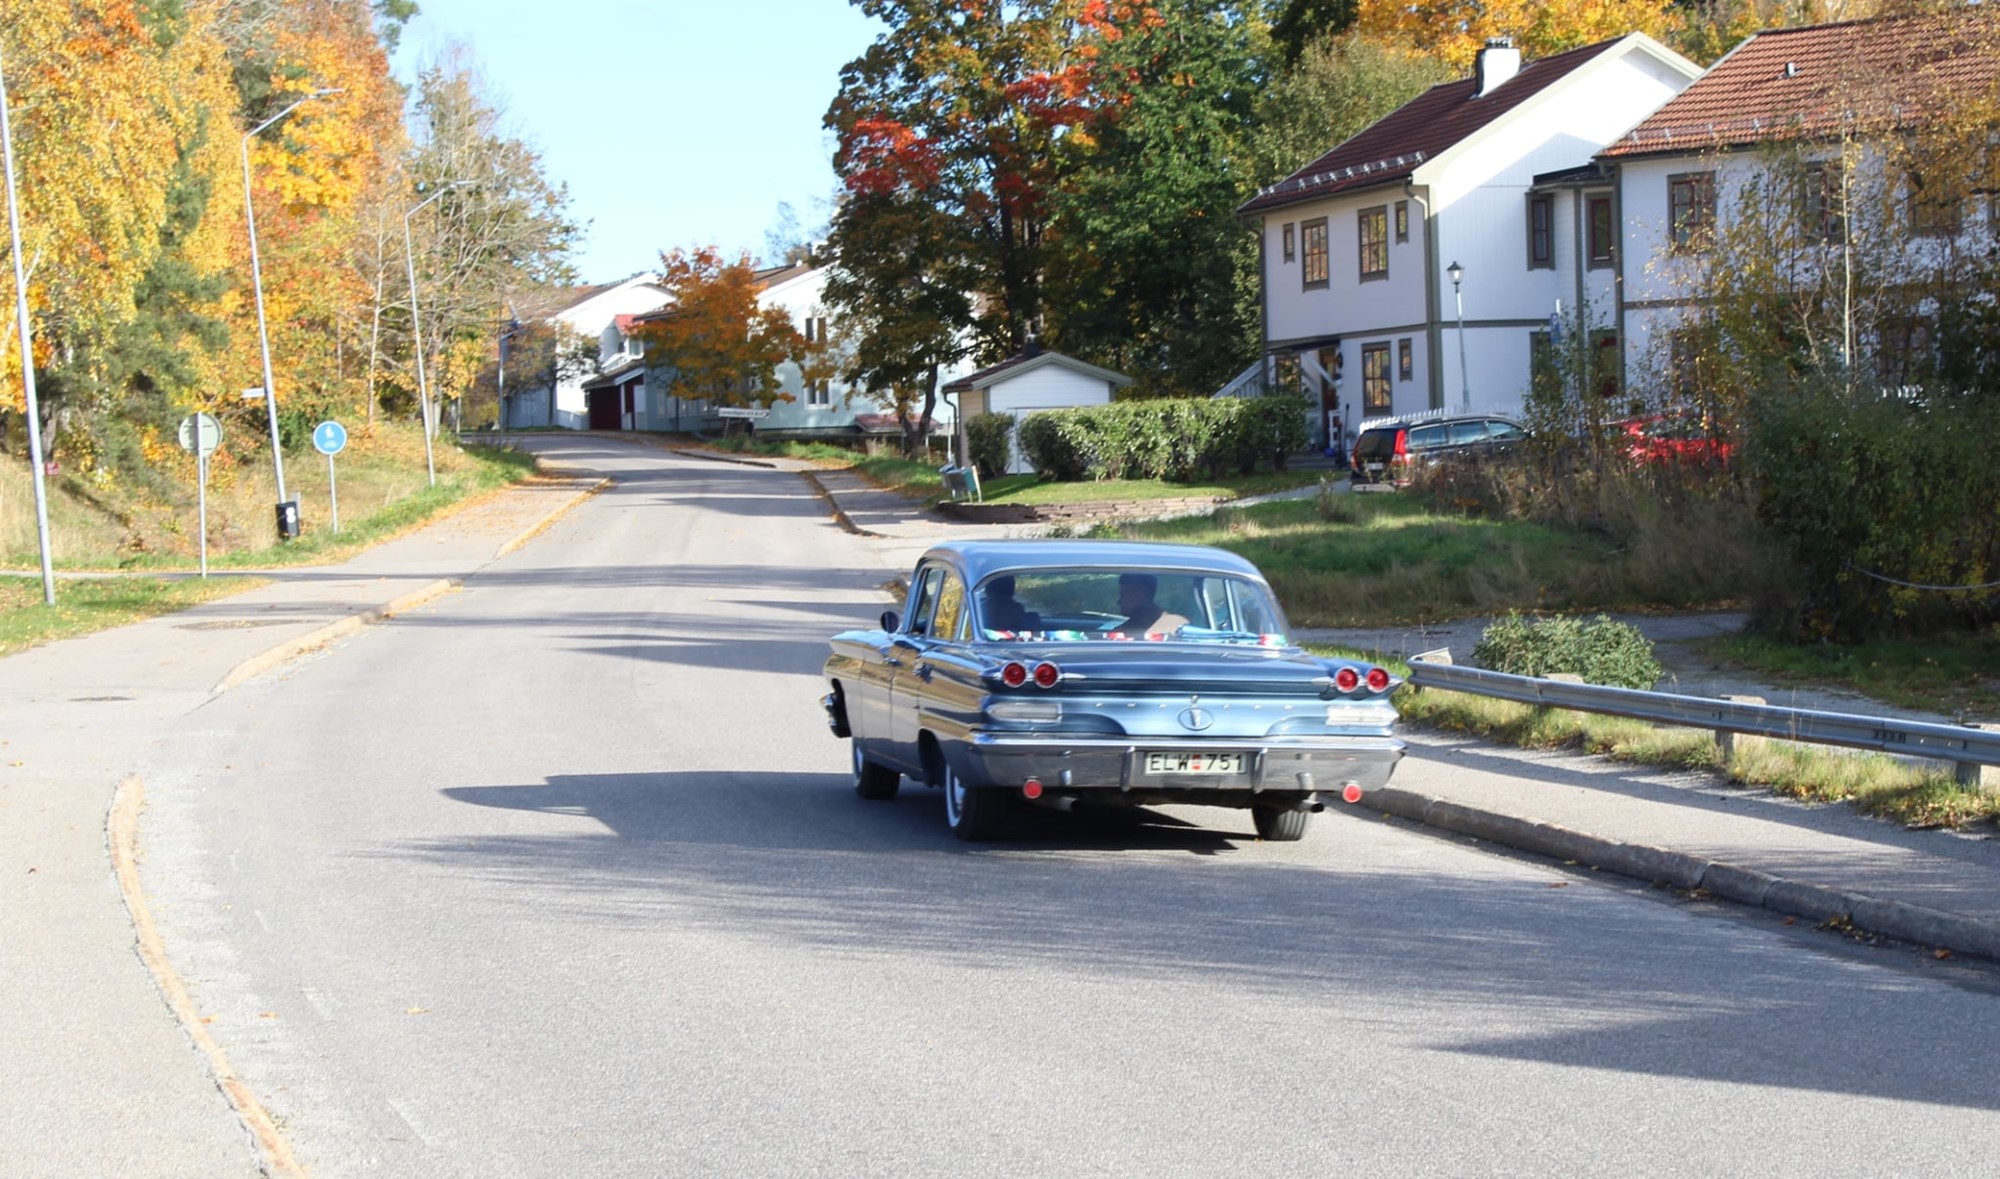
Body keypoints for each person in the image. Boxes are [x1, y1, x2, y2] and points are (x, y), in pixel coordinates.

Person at [1111, 573, 1189, 636]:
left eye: (1123, 595)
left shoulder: (1176, 627)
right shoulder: (1178, 625)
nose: (1119, 601)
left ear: (1139, 595)